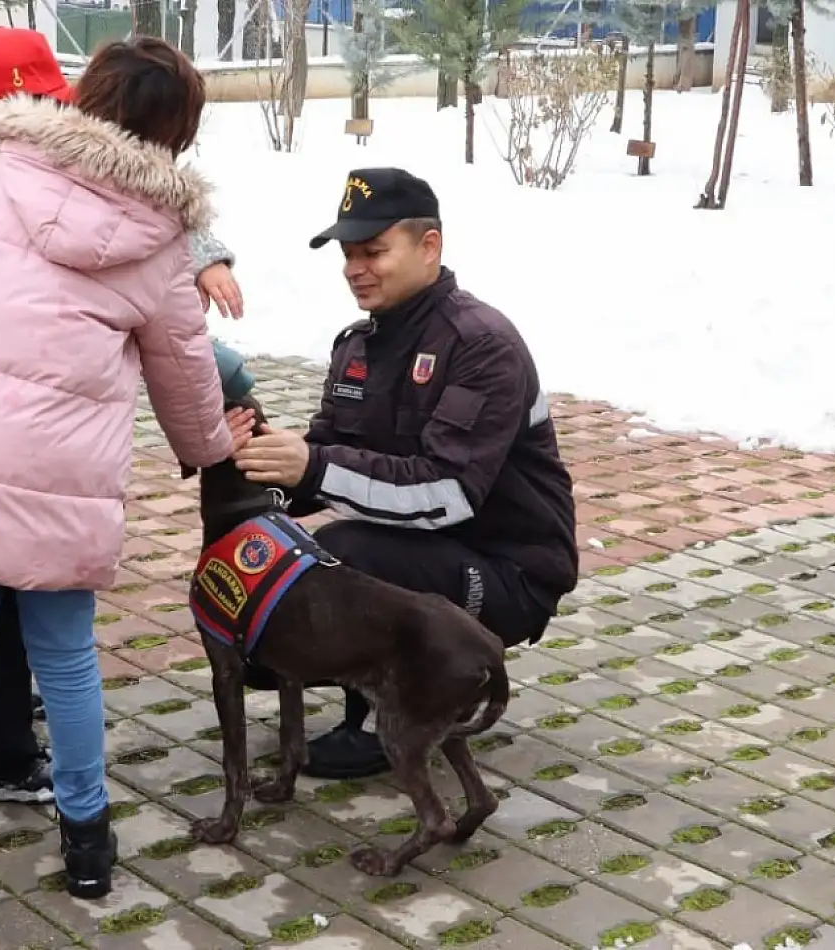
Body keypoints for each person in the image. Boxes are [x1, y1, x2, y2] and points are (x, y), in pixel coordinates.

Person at [0, 38, 253, 948]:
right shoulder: (161, 241)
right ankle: (89, 845)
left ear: (80, 99)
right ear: (174, 137)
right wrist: (214, 453)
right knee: (66, 661)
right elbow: (188, 383)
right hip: (64, 484)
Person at [232, 168, 578, 780]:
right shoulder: (359, 345)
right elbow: (327, 451)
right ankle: (379, 681)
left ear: (429, 247)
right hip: (425, 547)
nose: (355, 268)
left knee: (342, 554)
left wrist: (312, 467)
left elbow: (446, 493)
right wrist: (258, 470)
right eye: (347, 255)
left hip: (506, 567)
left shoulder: (482, 344)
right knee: (271, 571)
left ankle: (392, 711)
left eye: (374, 251)